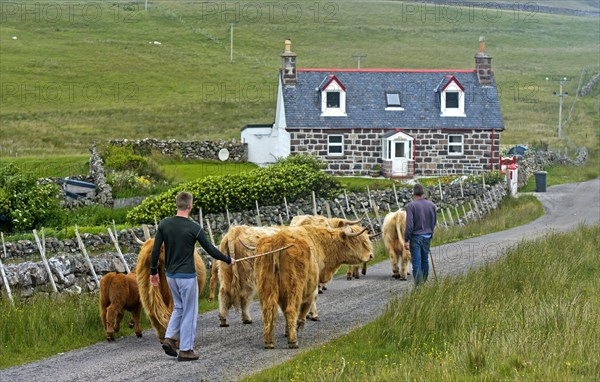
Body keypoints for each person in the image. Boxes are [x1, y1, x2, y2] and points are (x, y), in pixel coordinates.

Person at [150, 191, 235, 361]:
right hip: (187, 277)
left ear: (177, 205)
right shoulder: (194, 228)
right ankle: (186, 349)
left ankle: (170, 338)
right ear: (190, 206)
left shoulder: (164, 224)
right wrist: (228, 259)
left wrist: (153, 272)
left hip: (171, 276)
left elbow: (154, 250)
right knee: (190, 311)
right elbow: (211, 250)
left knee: (179, 307)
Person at [404, 184, 437, 287]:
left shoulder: (411, 206)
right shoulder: (431, 205)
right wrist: (430, 233)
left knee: (416, 262)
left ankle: (418, 286)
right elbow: (434, 221)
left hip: (416, 237)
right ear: (423, 193)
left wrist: (406, 240)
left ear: (413, 193)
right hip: (427, 236)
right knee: (424, 260)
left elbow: (409, 225)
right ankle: (423, 282)